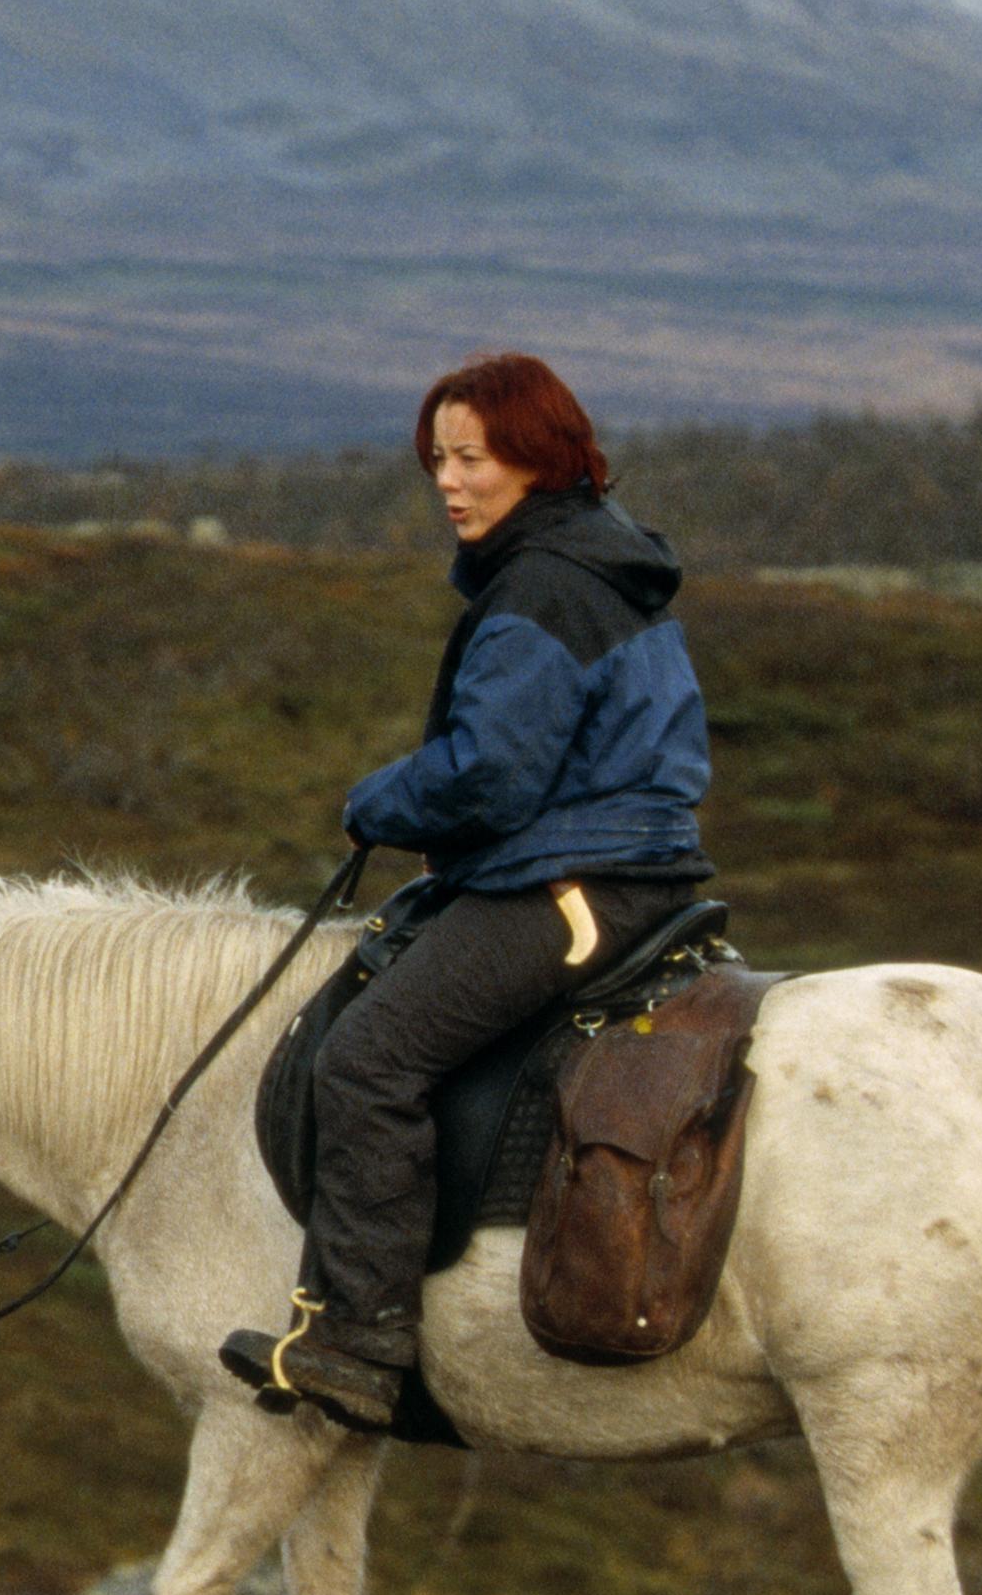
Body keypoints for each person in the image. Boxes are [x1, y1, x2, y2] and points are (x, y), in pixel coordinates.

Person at [238, 353, 714, 1434]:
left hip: (569, 886)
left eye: (474, 457)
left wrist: (379, 798)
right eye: (437, 460)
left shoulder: (543, 586)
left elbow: (492, 770)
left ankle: (358, 1343)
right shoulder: (598, 559)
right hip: (623, 870)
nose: (450, 482)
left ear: (538, 459)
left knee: (368, 1059)